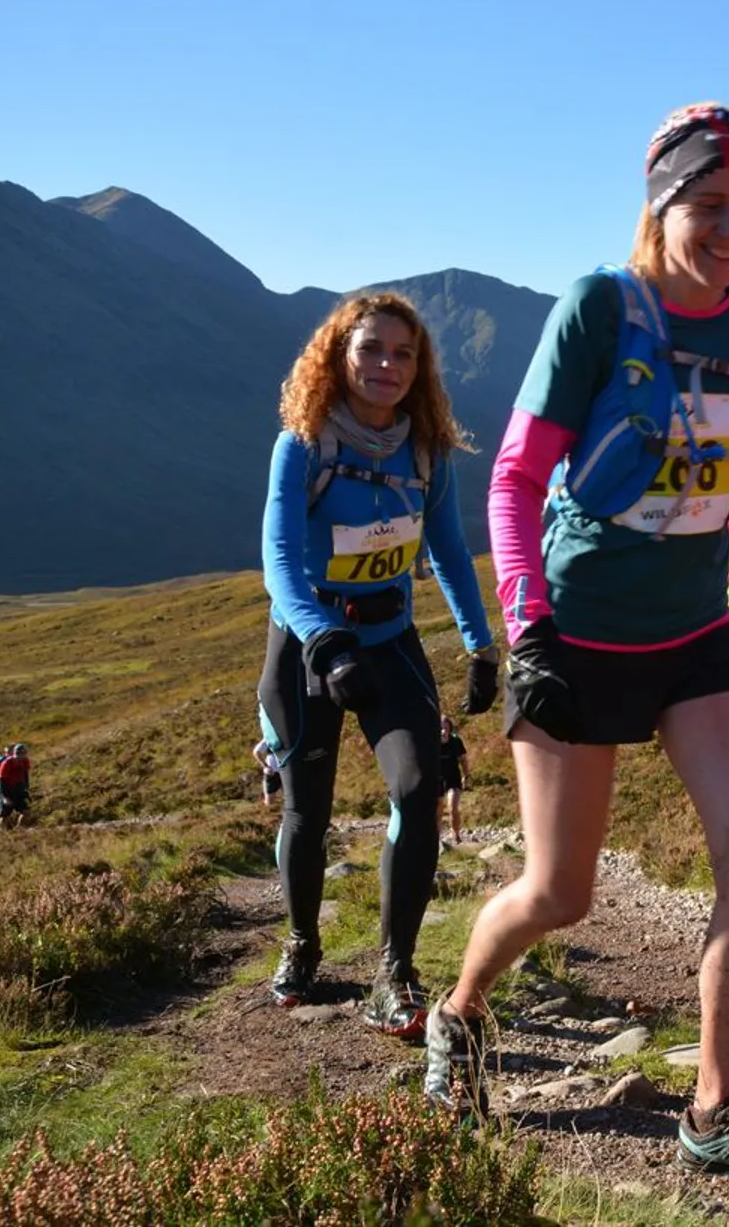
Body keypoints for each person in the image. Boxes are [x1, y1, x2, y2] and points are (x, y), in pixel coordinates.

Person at [424, 103, 729, 1198]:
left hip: (695, 635)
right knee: (561, 892)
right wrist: (527, 629)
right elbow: (513, 481)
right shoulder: (601, 307)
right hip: (577, 635)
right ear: (663, 200)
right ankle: (456, 1013)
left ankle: (715, 1106)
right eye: (712, 205)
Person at [258, 291, 499, 1038]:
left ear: (419, 366)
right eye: (371, 350)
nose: (387, 366)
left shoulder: (425, 448)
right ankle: (303, 943)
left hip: (390, 639)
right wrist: (323, 641)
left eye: (404, 353)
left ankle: (394, 972)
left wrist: (479, 642)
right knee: (308, 807)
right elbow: (279, 560)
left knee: (419, 789)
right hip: (307, 645)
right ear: (339, 354)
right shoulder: (303, 442)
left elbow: (450, 549)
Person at [437, 716, 468, 847]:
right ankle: (436, 840)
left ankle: (456, 835)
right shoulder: (430, 742)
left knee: (453, 807)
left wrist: (467, 775)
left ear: (450, 728)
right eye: (440, 728)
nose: (443, 731)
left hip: (453, 778)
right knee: (438, 810)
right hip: (437, 779)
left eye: (445, 728)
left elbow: (463, 759)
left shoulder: (456, 741)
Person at [0, 745, 29, 830]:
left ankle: (18, 830)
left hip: (19, 789)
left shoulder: (25, 761)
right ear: (15, 753)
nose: (21, 755)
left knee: (26, 811)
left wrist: (26, 788)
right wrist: (4, 797)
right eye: (19, 753)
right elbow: (2, 781)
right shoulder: (6, 763)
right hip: (7, 790)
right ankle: (3, 834)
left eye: (23, 753)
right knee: (5, 815)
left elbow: (25, 774)